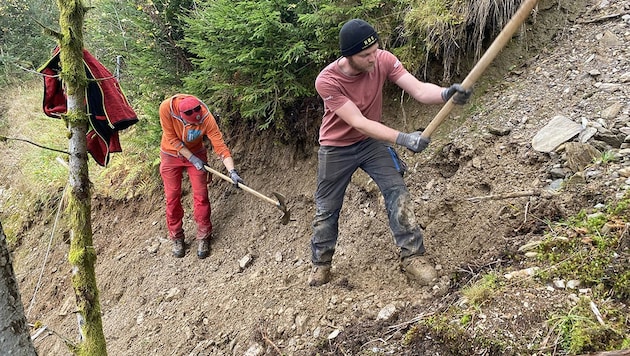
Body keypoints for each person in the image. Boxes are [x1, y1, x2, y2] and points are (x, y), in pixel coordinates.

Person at [309, 19, 471, 287]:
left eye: (375, 50)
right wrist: (404, 138)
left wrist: (446, 94)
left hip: (371, 143)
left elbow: (418, 89)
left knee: (398, 190)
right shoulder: (327, 81)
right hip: (335, 148)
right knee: (327, 209)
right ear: (348, 56)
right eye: (365, 55)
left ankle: (413, 257)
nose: (374, 58)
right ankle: (321, 263)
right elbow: (358, 121)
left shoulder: (383, 59)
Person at [159, 94, 244, 259]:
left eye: (199, 123)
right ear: (182, 118)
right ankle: (176, 236)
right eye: (194, 124)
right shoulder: (166, 108)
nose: (198, 126)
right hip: (170, 154)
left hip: (197, 153)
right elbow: (171, 138)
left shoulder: (206, 117)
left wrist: (232, 171)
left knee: (201, 195)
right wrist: (191, 158)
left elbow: (220, 147)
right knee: (172, 196)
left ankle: (204, 235)